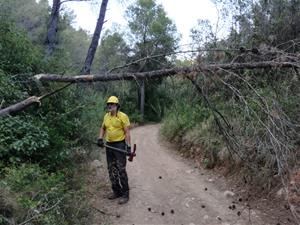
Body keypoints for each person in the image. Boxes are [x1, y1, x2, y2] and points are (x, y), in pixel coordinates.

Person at [97, 96, 131, 204]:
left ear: (117, 106)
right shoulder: (106, 116)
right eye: (108, 104)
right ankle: (117, 191)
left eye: (112, 104)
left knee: (121, 169)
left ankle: (125, 194)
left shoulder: (123, 116)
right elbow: (103, 128)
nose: (110, 106)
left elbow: (127, 132)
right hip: (109, 145)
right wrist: (100, 138)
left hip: (119, 145)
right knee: (111, 169)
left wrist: (128, 146)